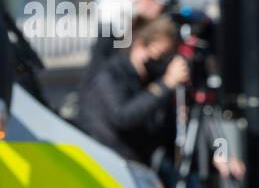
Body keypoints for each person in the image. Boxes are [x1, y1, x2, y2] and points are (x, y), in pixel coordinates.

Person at [76, 15, 188, 166]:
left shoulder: (151, 79)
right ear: (140, 45)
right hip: (108, 163)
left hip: (138, 164)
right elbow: (123, 117)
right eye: (159, 55)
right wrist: (165, 85)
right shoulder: (110, 75)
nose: (160, 62)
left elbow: (160, 134)